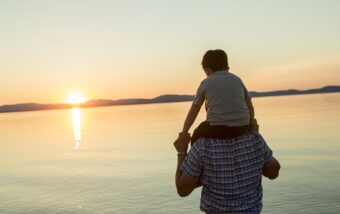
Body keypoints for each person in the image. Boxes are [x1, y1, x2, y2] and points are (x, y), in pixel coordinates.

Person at [174, 134, 280, 213]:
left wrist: (181, 152)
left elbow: (183, 190)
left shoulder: (202, 146)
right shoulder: (255, 139)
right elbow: (274, 172)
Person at [177, 49, 259, 145]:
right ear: (227, 68)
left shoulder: (206, 82)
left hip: (218, 129)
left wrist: (184, 131)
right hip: (243, 127)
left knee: (197, 133)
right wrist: (251, 122)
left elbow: (194, 109)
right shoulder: (237, 80)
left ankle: (195, 157)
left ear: (207, 70)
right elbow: (249, 104)